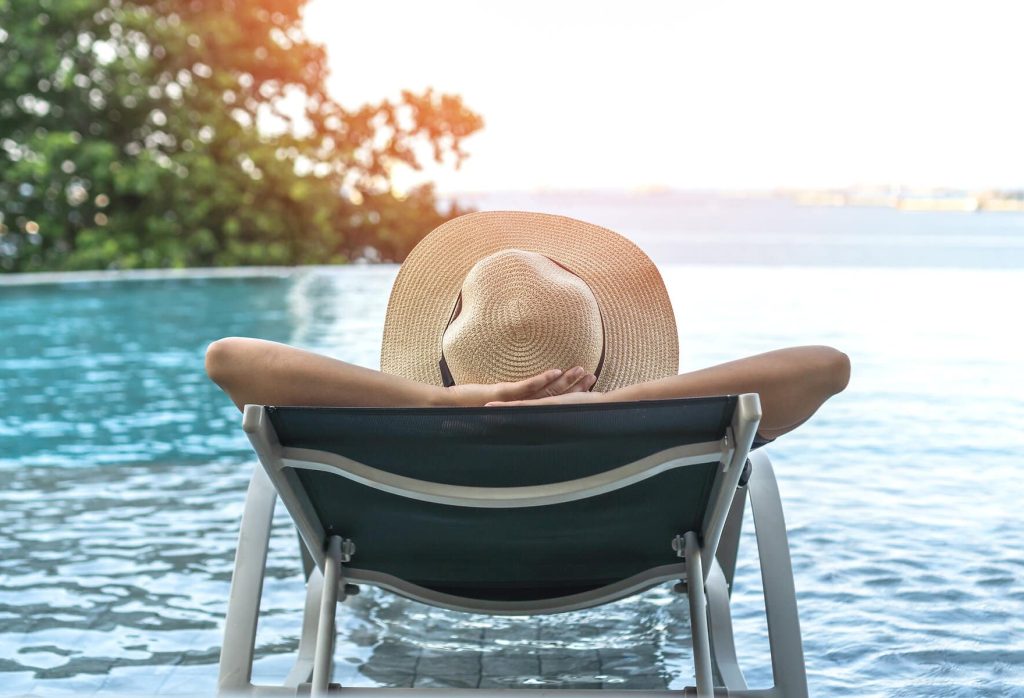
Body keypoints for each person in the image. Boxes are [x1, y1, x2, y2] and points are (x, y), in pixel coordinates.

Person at [206, 211, 849, 443]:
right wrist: (610, 405)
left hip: (426, 564)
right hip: (616, 561)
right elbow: (827, 367)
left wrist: (437, 401)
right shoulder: (648, 433)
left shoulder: (397, 429)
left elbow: (228, 360)